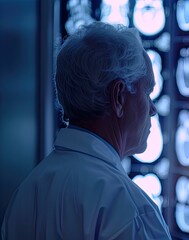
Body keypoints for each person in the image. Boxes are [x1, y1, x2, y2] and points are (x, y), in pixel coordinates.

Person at [1, 22, 171, 240]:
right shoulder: (129, 209)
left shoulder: (26, 193)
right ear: (119, 97)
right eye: (147, 92)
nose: (153, 109)